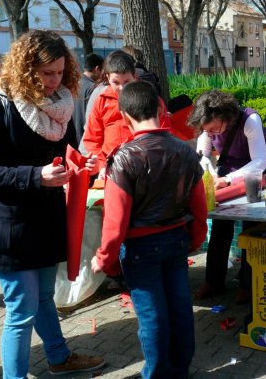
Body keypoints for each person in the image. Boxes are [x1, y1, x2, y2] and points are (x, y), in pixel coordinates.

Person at [0, 29, 104, 378]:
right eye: (45, 73)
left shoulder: (61, 107)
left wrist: (80, 165)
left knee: (44, 299)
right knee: (21, 311)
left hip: (46, 221)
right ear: (26, 69)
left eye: (58, 72)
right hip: (11, 225)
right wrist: (35, 176)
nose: (54, 80)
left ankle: (58, 357)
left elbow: (65, 154)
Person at [90, 81, 207, 378]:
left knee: (153, 315)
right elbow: (199, 206)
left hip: (141, 247)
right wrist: (195, 239)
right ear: (161, 109)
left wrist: (104, 260)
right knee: (180, 308)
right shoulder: (185, 151)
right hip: (176, 239)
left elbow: (115, 222)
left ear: (125, 115)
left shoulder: (124, 157)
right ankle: (179, 369)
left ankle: (156, 373)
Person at [190, 89, 266, 303]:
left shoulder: (250, 120)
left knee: (251, 228)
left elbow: (260, 162)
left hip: (254, 178)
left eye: (214, 128)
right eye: (207, 130)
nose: (212, 133)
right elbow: (203, 151)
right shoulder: (208, 127)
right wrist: (206, 165)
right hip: (225, 176)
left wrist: (228, 179)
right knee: (219, 227)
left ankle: (248, 284)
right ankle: (213, 281)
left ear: (224, 114)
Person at [82, 51, 171, 179]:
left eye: (127, 82)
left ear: (135, 76)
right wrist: (101, 165)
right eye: (116, 83)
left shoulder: (150, 98)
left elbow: (165, 134)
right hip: (112, 167)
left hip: (147, 167)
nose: (122, 88)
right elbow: (92, 139)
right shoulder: (102, 101)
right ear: (107, 78)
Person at [72, 53, 103, 145]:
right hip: (85, 138)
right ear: (97, 69)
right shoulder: (92, 88)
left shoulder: (74, 84)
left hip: (73, 137)